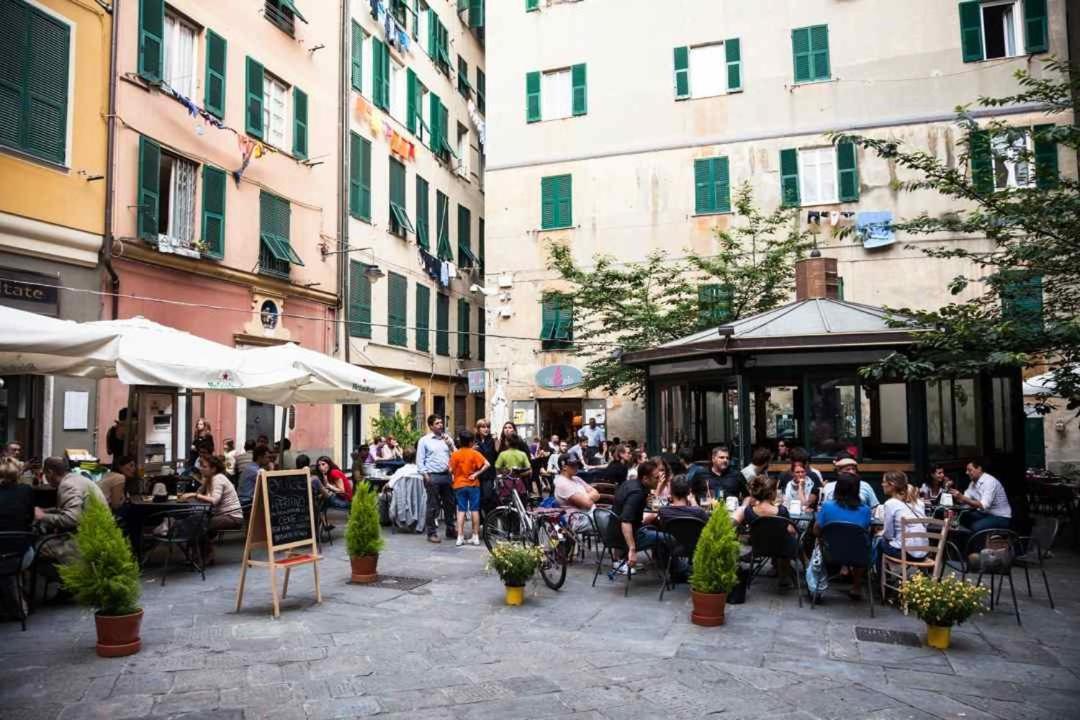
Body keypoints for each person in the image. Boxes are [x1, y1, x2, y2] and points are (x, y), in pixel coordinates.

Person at [34, 457, 107, 565]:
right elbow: (74, 508)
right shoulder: (76, 478)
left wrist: (42, 516)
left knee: (36, 546)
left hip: (85, 541)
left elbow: (72, 519)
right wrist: (47, 511)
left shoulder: (67, 485)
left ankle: (61, 578)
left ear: (50, 472)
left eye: (45, 475)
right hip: (99, 534)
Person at [813, 473, 873, 600]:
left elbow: (816, 530)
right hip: (858, 555)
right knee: (861, 545)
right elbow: (865, 531)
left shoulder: (827, 506)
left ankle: (817, 583)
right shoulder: (865, 510)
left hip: (830, 553)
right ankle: (857, 586)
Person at [180, 454, 243, 564]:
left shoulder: (218, 479)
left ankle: (203, 556)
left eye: (204, 466)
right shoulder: (210, 479)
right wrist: (201, 487)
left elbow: (214, 500)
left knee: (198, 524)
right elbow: (202, 495)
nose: (201, 469)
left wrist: (194, 495)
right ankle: (200, 556)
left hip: (232, 516)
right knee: (196, 521)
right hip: (222, 515)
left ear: (213, 469)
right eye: (201, 466)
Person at [611, 459, 661, 574]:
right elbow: (625, 521)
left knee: (655, 526)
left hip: (615, 531)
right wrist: (632, 550)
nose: (659, 480)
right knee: (666, 538)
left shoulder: (631, 483)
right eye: (656, 477)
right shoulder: (637, 493)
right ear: (645, 478)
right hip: (627, 535)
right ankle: (674, 570)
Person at [417, 414, 457, 543]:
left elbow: (456, 456)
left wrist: (450, 445)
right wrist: (425, 475)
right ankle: (431, 532)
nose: (441, 425)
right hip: (432, 476)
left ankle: (450, 529)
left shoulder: (447, 439)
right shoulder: (424, 440)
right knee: (433, 505)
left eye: (441, 423)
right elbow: (420, 460)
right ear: (431, 426)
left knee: (450, 504)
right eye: (437, 423)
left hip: (446, 476)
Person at [449, 431, 489, 547]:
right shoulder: (474, 453)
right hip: (473, 484)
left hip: (459, 485)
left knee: (461, 510)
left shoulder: (455, 454)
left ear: (460, 441)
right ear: (471, 442)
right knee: (474, 510)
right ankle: (475, 536)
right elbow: (487, 464)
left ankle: (460, 537)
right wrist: (476, 474)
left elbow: (450, 470)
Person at [879, 471, 927, 563]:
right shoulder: (919, 503)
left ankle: (880, 576)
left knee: (878, 541)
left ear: (892, 485)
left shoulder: (890, 503)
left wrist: (881, 534)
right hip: (924, 552)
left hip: (905, 553)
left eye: (884, 482)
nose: (882, 484)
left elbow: (888, 534)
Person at [952, 458, 1012, 532]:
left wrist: (962, 497)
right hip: (985, 514)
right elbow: (964, 500)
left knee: (975, 527)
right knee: (960, 518)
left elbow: (983, 505)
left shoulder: (989, 481)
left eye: (969, 470)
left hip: (1000, 517)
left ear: (979, 469)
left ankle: (980, 542)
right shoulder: (973, 483)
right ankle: (966, 541)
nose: (966, 472)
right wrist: (955, 495)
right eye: (967, 470)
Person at [474, 419, 498, 512]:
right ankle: (480, 522)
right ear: (478, 429)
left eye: (488, 427)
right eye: (483, 427)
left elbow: (497, 454)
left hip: (488, 474)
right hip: (476, 474)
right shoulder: (474, 441)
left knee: (487, 497)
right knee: (478, 499)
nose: (486, 429)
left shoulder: (492, 440)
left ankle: (489, 519)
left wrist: (496, 443)